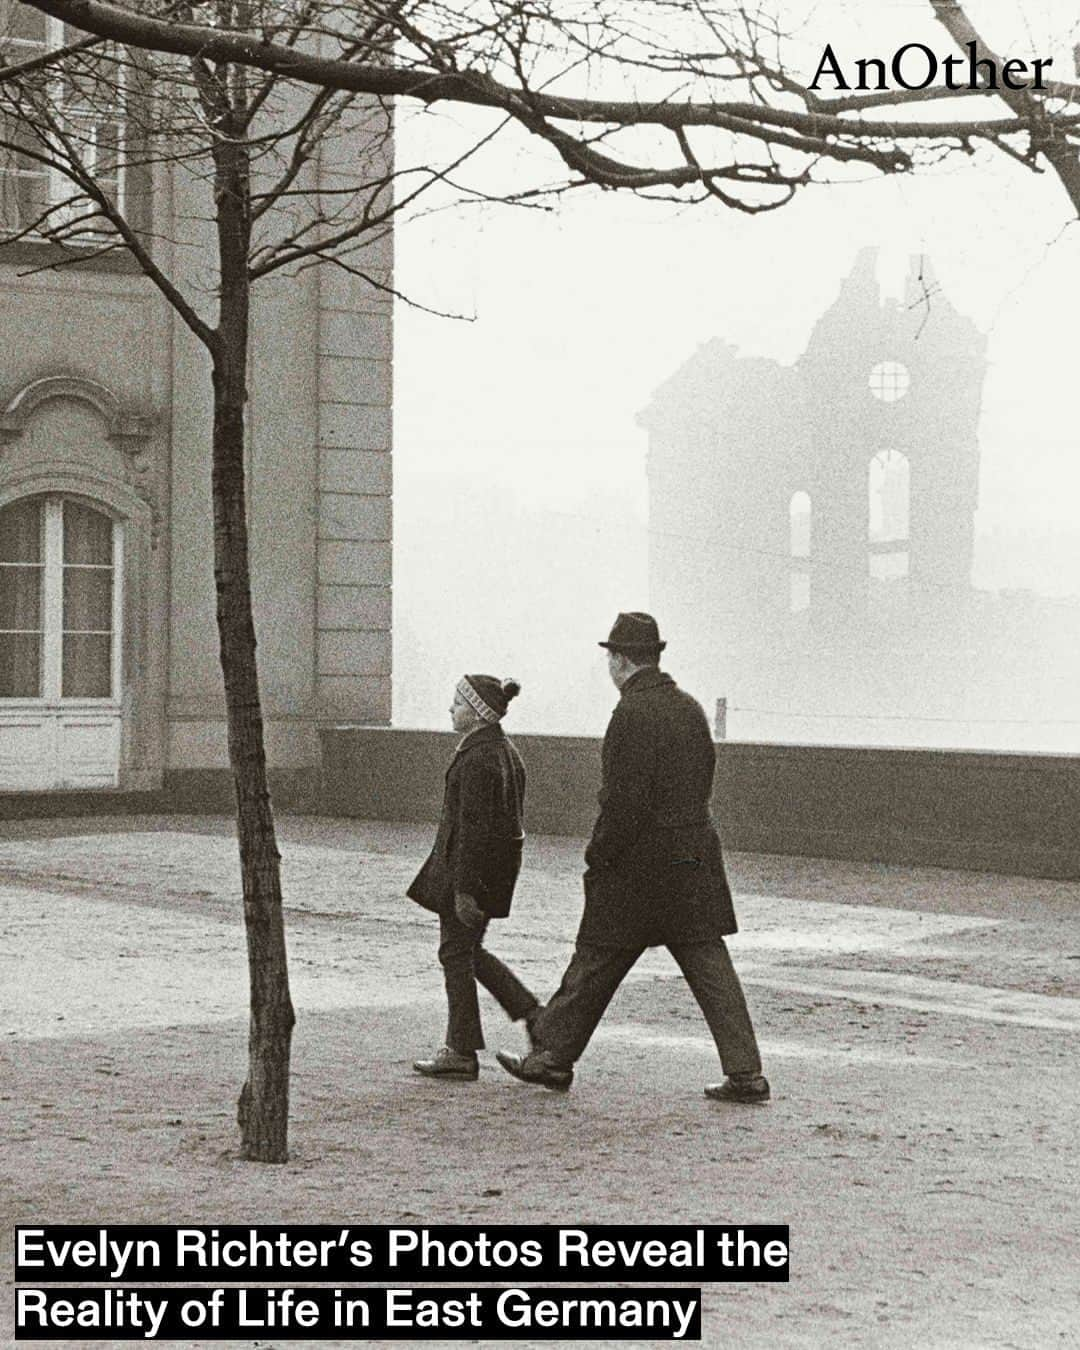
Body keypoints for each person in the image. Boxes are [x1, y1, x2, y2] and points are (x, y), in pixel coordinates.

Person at [497, 612, 769, 1103]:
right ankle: (746, 1074)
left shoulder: (630, 714)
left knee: (596, 961)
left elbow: (624, 801)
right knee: (711, 969)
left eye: (610, 658)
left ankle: (553, 1057)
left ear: (621, 661)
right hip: (692, 860)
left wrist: (599, 854)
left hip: (641, 867)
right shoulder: (689, 708)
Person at [408, 673, 541, 1080]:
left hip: (467, 879)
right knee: (468, 954)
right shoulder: (504, 753)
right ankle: (536, 1018)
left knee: (455, 953)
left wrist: (464, 891)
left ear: (479, 714)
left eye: (459, 704)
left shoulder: (479, 758)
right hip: (491, 878)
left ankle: (462, 1051)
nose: (452, 709)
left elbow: (473, 831)